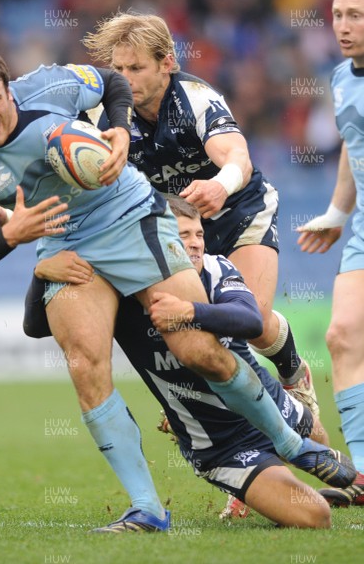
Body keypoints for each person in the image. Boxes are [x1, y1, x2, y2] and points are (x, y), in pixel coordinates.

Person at [0, 49, 354, 535]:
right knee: (86, 367)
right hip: (66, 245)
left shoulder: (51, 85)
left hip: (131, 216)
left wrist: (116, 126)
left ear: (9, 89)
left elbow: (111, 80)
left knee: (199, 349)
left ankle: (292, 442)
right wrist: (9, 236)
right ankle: (147, 509)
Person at [27, 196, 333, 529]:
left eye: (199, 234)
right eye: (183, 235)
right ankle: (255, 480)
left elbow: (251, 321)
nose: (196, 244)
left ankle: (287, 426)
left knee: (324, 446)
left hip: (270, 400)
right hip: (222, 445)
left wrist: (191, 312)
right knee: (315, 516)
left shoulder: (216, 268)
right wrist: (41, 271)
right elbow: (36, 326)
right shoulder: (121, 292)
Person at [81, 12, 319, 417]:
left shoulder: (195, 98)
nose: (124, 79)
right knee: (187, 324)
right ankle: (198, 404)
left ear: (167, 63)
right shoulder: (99, 115)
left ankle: (293, 373)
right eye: (118, 69)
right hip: (176, 226)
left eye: (136, 68)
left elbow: (237, 158)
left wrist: (219, 186)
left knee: (253, 321)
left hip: (237, 210)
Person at [297, 0, 364, 508]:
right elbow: (351, 143)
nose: (344, 25)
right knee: (342, 336)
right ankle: (362, 471)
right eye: (339, 14)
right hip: (362, 229)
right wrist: (338, 213)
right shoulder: (341, 78)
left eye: (357, 15)